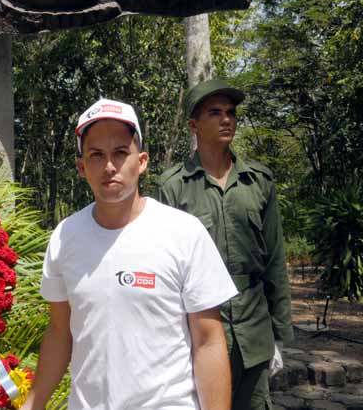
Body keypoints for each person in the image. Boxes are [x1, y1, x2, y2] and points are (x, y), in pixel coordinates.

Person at [20, 98, 237, 410]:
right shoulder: (65, 237)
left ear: (142, 161)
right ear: (82, 167)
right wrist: (33, 404)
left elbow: (208, 341)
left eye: (121, 152)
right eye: (96, 155)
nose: (109, 165)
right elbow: (59, 332)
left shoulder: (183, 233)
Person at [158, 79, 293, 410]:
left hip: (253, 330)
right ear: (194, 125)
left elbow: (275, 260)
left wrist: (278, 335)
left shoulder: (258, 181)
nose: (226, 119)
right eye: (214, 112)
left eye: (231, 112)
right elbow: (166, 271)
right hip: (201, 330)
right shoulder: (173, 187)